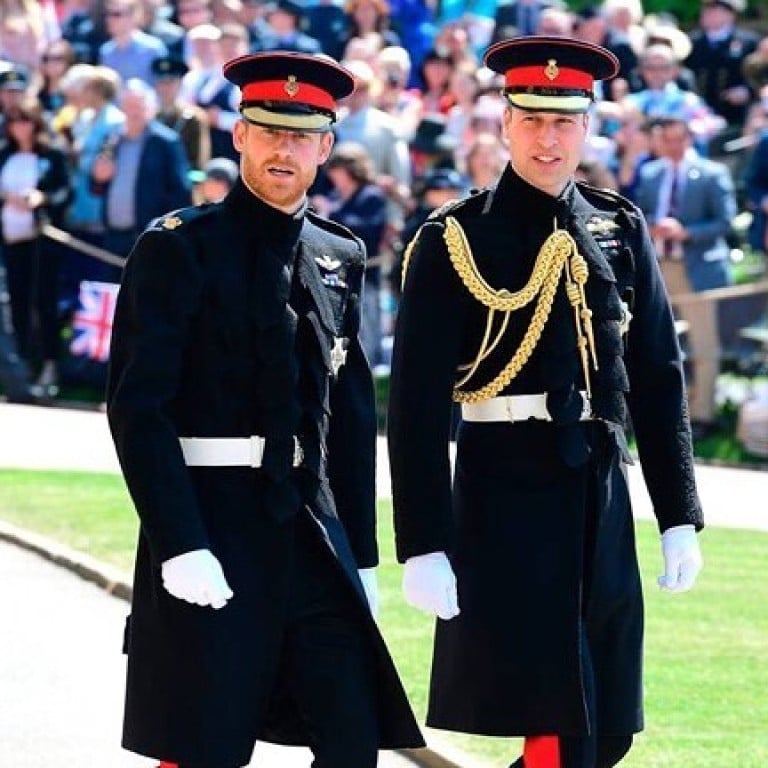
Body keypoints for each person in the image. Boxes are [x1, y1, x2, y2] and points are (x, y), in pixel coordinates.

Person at [388, 36, 705, 768]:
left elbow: (657, 376)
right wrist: (424, 541)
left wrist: (678, 515)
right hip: (505, 487)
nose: (547, 137)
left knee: (608, 721)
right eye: (531, 119)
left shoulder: (618, 227)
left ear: (587, 128)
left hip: (598, 483)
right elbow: (413, 406)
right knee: (556, 717)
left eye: (564, 122)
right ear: (504, 123)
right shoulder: (455, 237)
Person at [106, 50, 424, 768]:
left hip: (311, 532)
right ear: (240, 136)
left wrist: (363, 556)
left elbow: (346, 420)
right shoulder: (179, 247)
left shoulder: (339, 252)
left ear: (325, 147)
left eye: (300, 135)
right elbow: (138, 408)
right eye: (268, 131)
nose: (284, 148)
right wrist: (179, 539)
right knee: (203, 744)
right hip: (212, 519)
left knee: (352, 739)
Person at [634, 115, 736, 440]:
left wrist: (686, 232)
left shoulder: (712, 173)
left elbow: (725, 222)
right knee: (654, 342)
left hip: (698, 267)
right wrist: (649, 226)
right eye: (666, 139)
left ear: (689, 139)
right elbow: (639, 212)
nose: (672, 145)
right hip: (660, 266)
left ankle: (703, 415)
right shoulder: (650, 173)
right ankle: (657, 412)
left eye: (678, 139)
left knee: (705, 345)